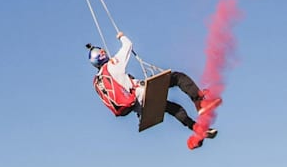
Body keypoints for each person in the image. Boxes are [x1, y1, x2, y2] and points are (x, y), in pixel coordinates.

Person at [87, 34, 220, 147]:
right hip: (144, 93)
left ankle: (197, 129)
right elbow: (128, 45)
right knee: (178, 78)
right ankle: (200, 102)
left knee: (174, 108)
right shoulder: (112, 65)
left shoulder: (98, 82)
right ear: (102, 55)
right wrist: (121, 36)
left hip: (140, 108)